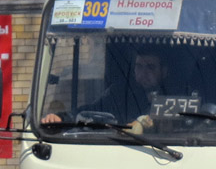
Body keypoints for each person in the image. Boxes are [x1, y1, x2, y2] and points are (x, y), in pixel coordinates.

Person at [42, 49, 170, 127]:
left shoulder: (173, 97)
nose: (144, 73)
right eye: (139, 67)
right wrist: (63, 118)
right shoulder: (119, 94)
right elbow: (92, 110)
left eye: (151, 67)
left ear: (163, 71)